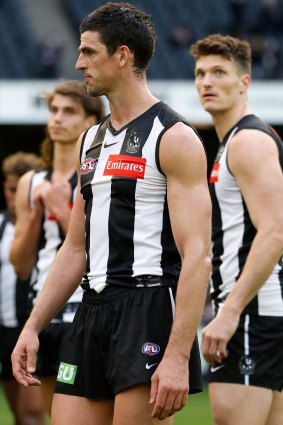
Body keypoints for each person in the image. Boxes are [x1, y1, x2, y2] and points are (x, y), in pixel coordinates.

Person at [11, 3, 212, 424]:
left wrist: (176, 355)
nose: (78, 62)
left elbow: (199, 255)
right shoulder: (91, 141)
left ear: (123, 55)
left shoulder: (175, 137)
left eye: (89, 52)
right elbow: (74, 248)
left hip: (148, 308)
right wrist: (32, 327)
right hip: (90, 309)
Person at [190, 34, 283, 425]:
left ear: (244, 82)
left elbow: (275, 232)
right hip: (260, 314)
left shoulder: (247, 141)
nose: (206, 82)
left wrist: (228, 313)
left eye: (218, 72)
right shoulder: (234, 141)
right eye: (199, 73)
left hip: (252, 315)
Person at [10, 81, 105, 415]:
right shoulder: (31, 182)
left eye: (69, 111)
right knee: (56, 416)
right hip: (45, 309)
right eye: (53, 110)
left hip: (85, 306)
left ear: (91, 121)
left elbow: (98, 246)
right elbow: (21, 266)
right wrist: (35, 218)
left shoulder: (99, 174)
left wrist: (62, 211)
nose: (58, 119)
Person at [0, 151, 46, 425]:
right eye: (10, 189)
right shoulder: (2, 225)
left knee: (31, 414)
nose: (15, 196)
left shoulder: (47, 227)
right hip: (5, 326)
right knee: (19, 414)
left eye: (21, 189)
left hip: (34, 327)